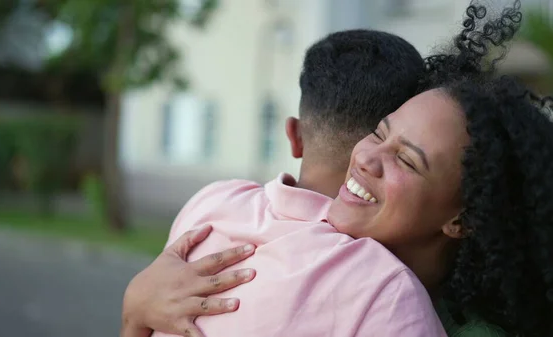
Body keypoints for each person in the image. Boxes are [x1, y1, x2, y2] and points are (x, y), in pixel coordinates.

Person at [122, 2, 535, 337]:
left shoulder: (391, 295)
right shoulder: (224, 212)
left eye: (407, 159)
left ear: (462, 218)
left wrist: (134, 309)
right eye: (378, 132)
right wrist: (137, 307)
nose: (367, 156)